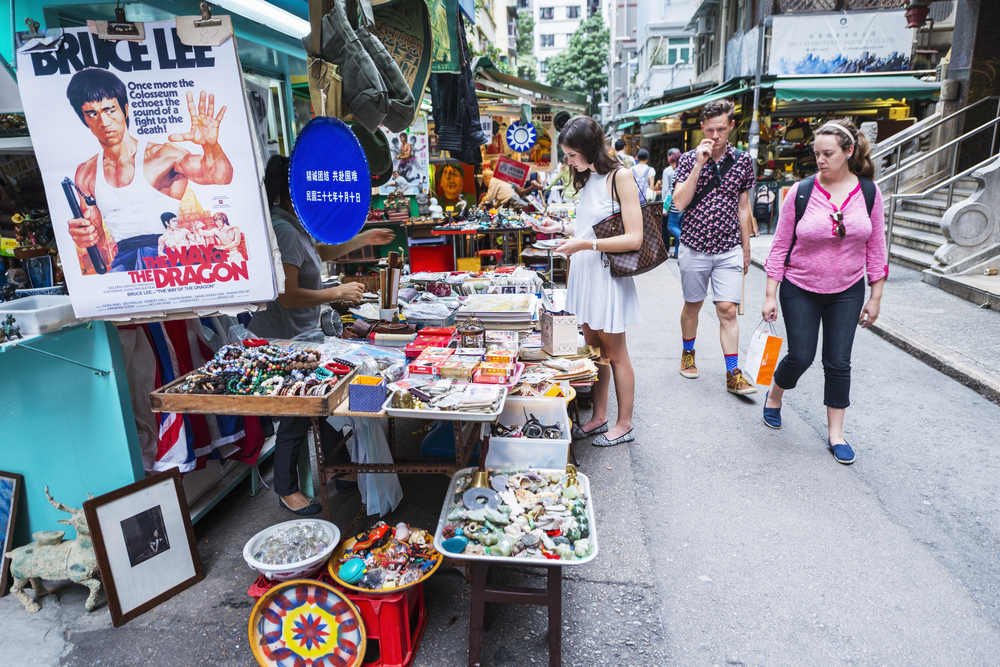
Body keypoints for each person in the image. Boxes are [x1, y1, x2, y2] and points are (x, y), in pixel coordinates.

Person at [251, 155, 396, 515]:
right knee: (298, 411)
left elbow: (320, 252)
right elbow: (287, 294)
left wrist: (364, 237)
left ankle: (345, 469)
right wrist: (336, 293)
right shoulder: (282, 228)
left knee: (324, 399)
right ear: (290, 190)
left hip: (304, 333)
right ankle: (287, 490)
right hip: (282, 339)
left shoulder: (292, 222)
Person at [761, 119, 887, 466]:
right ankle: (775, 395)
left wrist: (875, 295)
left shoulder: (869, 193)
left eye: (828, 153)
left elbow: (876, 246)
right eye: (817, 153)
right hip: (800, 286)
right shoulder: (801, 192)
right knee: (801, 356)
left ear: (848, 152)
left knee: (838, 361)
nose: (820, 160)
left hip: (848, 289)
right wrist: (770, 293)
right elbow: (781, 244)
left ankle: (836, 435)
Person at [527, 116, 643, 447]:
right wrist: (562, 230)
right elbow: (593, 227)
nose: (569, 161)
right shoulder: (589, 177)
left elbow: (634, 238)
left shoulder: (619, 176)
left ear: (590, 149)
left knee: (615, 352)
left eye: (573, 155)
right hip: (586, 272)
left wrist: (583, 244)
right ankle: (599, 416)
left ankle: (625, 423)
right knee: (596, 352)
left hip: (605, 275)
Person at [65, 68, 234, 272]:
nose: (104, 122)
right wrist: (85, 236)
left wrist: (210, 145)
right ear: (85, 119)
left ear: (125, 110)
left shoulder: (162, 155)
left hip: (166, 257)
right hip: (124, 262)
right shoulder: (86, 173)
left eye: (110, 110)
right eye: (92, 114)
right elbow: (98, 238)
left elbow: (220, 176)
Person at [671, 99, 756, 395]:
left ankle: (733, 373)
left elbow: (744, 207)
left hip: (729, 247)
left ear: (731, 126)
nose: (716, 135)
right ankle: (688, 352)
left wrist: (746, 249)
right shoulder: (686, 160)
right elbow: (678, 203)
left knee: (727, 310)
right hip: (694, 246)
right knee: (692, 306)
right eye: (710, 129)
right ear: (702, 128)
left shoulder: (743, 161)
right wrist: (699, 164)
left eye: (722, 129)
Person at [662, 149, 682, 258]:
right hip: (683, 205)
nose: (671, 164)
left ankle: (684, 240)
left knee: (671, 226)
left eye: (672, 162)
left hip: (675, 204)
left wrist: (665, 207)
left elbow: (669, 191)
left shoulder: (675, 172)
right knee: (678, 226)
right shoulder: (686, 171)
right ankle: (677, 252)